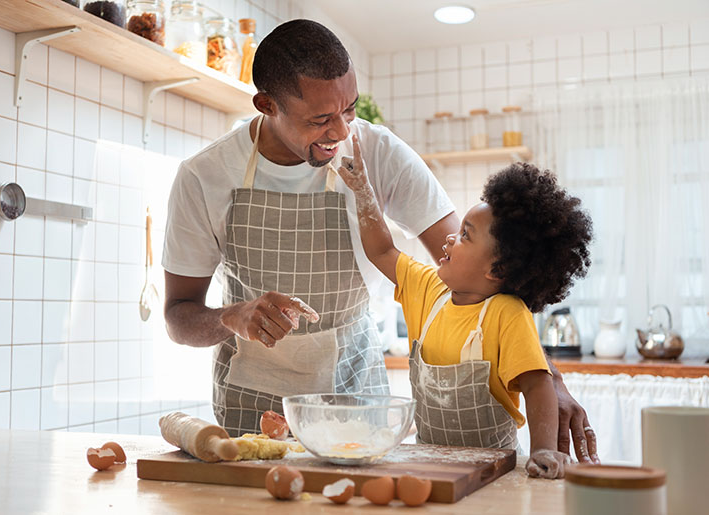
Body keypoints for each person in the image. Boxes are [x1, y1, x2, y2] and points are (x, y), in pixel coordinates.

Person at [161, 18, 600, 464]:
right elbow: (179, 319)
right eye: (320, 119)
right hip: (250, 408)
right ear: (267, 104)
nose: (341, 132)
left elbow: (488, 277)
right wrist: (233, 316)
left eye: (348, 110)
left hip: (357, 405)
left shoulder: (380, 154)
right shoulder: (204, 176)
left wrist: (548, 379)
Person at [337, 150, 592, 477]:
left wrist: (543, 451)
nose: (449, 238)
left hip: (494, 473)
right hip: (432, 466)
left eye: (465, 235)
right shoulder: (428, 289)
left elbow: (537, 383)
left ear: (496, 269)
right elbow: (382, 250)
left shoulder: (507, 314)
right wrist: (362, 191)